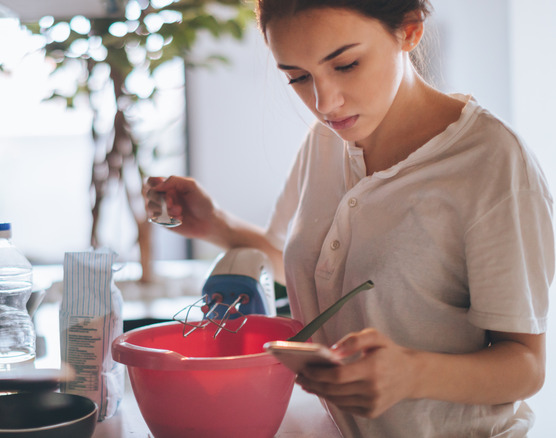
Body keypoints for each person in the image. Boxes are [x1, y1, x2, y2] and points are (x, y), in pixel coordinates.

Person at [143, 0, 555, 436]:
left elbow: (525, 365)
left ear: (409, 31)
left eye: (346, 64)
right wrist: (216, 226)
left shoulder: (492, 163)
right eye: (298, 77)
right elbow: (312, 271)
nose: (324, 103)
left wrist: (413, 373)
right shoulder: (326, 140)